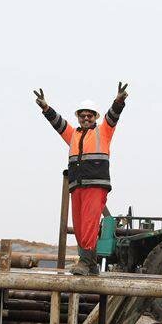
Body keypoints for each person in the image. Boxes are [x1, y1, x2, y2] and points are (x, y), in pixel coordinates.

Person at [34, 83, 129, 275]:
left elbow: (113, 116)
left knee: (88, 223)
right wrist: (46, 108)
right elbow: (57, 123)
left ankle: (85, 262)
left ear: (95, 118)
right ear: (78, 117)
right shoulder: (73, 135)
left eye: (90, 115)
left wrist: (118, 101)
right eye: (83, 115)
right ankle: (91, 264)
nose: (86, 118)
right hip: (76, 185)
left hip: (95, 184)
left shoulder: (103, 132)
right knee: (78, 225)